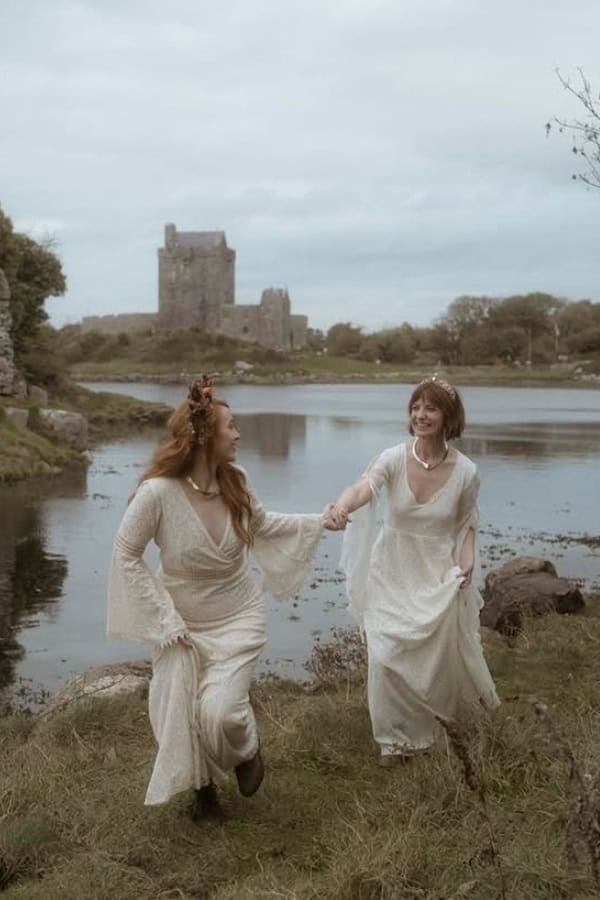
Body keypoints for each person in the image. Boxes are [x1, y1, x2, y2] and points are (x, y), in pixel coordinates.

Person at [107, 377, 342, 821]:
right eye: (230, 427)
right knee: (182, 708)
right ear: (203, 437)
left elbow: (264, 524)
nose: (238, 435)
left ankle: (247, 746)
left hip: (238, 616)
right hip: (180, 625)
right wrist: (162, 617)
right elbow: (125, 552)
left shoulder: (237, 480)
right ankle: (203, 793)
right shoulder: (157, 493)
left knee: (222, 716)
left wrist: (320, 522)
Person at [326, 375, 499, 766]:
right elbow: (363, 487)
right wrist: (341, 506)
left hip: (435, 570)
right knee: (385, 653)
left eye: (431, 408)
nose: (421, 415)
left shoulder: (467, 472)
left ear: (448, 416)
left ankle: (430, 732)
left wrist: (467, 562)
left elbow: (466, 524)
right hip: (391, 565)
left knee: (432, 658)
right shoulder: (392, 457)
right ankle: (394, 742)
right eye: (416, 407)